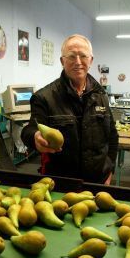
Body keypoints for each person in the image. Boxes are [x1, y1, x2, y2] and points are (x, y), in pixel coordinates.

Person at [21, 34, 118, 184]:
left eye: (83, 56)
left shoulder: (100, 94)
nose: (78, 62)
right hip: (60, 183)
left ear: (91, 60)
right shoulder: (44, 97)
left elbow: (112, 136)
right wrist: (35, 137)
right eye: (72, 56)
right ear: (62, 61)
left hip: (97, 182)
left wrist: (109, 170)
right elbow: (29, 130)